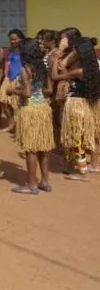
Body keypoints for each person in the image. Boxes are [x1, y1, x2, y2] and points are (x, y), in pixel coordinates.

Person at [7, 38, 53, 194]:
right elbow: (48, 90)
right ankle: (45, 181)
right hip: (43, 109)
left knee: (30, 149)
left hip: (30, 110)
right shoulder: (42, 67)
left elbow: (26, 93)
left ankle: (32, 184)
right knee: (43, 147)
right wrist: (34, 89)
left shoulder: (25, 69)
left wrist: (13, 91)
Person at [52, 29, 98, 179]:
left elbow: (56, 74)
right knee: (76, 137)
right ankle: (71, 165)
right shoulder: (88, 70)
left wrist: (59, 51)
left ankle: (83, 172)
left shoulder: (78, 70)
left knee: (77, 138)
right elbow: (65, 71)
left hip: (75, 105)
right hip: (82, 104)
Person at [0, 29, 25, 133]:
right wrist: (5, 76)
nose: (13, 41)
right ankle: (11, 124)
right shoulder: (10, 50)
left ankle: (20, 125)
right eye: (11, 40)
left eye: (15, 39)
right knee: (3, 101)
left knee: (17, 103)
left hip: (20, 80)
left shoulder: (24, 51)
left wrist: (21, 78)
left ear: (21, 39)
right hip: (8, 79)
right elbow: (7, 64)